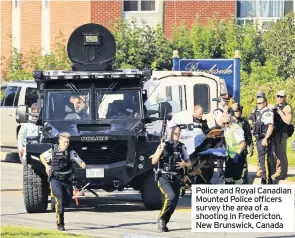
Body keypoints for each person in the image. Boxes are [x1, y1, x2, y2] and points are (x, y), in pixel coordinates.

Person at [40, 132, 87, 231]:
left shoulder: (71, 152)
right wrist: (47, 166)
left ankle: (55, 201)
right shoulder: (52, 151)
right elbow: (42, 157)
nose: (67, 144)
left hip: (67, 181)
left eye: (68, 142)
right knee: (59, 201)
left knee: (67, 201)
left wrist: (83, 164)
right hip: (55, 179)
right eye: (65, 142)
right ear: (60, 141)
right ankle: (60, 224)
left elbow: (80, 161)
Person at [151, 126, 191, 232]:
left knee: (174, 203)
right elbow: (154, 161)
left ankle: (164, 222)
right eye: (176, 133)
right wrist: (161, 148)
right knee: (171, 197)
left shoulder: (182, 146)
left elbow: (189, 162)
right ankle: (161, 219)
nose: (178, 135)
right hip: (164, 177)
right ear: (170, 134)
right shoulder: (163, 145)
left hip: (176, 178)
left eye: (179, 133)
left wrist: (185, 164)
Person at [272, 90, 293, 180]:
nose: (279, 98)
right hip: (275, 133)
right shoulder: (276, 106)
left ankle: (283, 172)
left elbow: (288, 121)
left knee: (281, 154)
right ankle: (278, 171)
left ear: (285, 97)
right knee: (275, 153)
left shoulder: (287, 107)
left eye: (281, 96)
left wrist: (280, 112)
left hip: (282, 134)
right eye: (278, 96)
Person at [253, 97, 274, 184]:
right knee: (261, 159)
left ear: (265, 103)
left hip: (264, 139)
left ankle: (266, 179)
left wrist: (265, 139)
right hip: (259, 139)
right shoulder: (260, 113)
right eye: (257, 103)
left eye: (260, 103)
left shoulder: (267, 113)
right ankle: (264, 177)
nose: (259, 105)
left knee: (264, 159)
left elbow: (270, 126)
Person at [231, 102, 254, 183]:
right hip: (232, 148)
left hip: (242, 147)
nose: (238, 112)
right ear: (232, 112)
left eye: (240, 110)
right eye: (236, 111)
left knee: (243, 166)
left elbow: (248, 135)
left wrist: (251, 146)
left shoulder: (244, 122)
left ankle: (243, 180)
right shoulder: (229, 122)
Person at [222, 114, 247, 184]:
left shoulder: (236, 129)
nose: (226, 125)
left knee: (237, 177)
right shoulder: (227, 128)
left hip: (238, 155)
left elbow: (243, 143)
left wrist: (237, 154)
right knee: (227, 176)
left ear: (231, 120)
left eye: (227, 123)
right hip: (231, 156)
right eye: (224, 123)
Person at [213, 93, 231, 182]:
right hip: (220, 137)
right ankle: (221, 176)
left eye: (227, 101)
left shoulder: (229, 110)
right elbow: (220, 123)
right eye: (224, 101)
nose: (226, 103)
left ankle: (229, 175)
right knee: (220, 158)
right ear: (220, 100)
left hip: (229, 136)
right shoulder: (217, 111)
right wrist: (225, 111)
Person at [248, 91, 266, 177]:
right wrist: (251, 124)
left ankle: (267, 173)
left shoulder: (267, 108)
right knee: (260, 154)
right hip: (256, 133)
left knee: (269, 155)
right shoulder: (255, 109)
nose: (259, 98)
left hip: (265, 134)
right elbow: (250, 118)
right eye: (258, 97)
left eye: (260, 97)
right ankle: (260, 171)